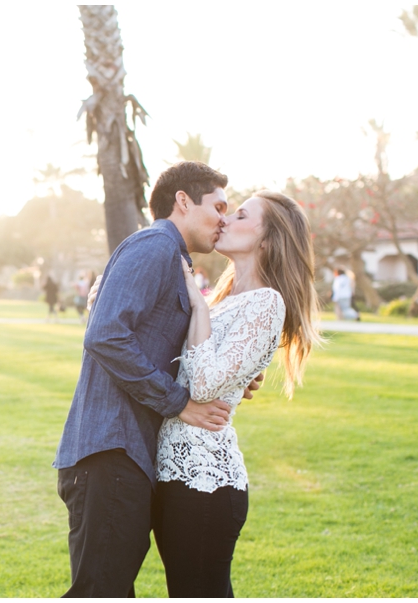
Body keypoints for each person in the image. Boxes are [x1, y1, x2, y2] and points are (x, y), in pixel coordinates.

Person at [54, 162, 253, 597]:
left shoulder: (170, 259)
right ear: (183, 201)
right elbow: (105, 335)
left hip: (128, 456)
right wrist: (179, 402)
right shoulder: (156, 246)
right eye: (218, 206)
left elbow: (156, 345)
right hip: (110, 452)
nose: (224, 218)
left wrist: (232, 376)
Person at [151, 191, 323, 597]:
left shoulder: (266, 303)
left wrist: (198, 305)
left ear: (267, 239)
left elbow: (206, 384)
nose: (226, 219)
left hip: (206, 482)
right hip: (174, 475)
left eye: (242, 214)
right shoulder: (223, 300)